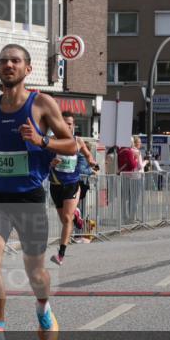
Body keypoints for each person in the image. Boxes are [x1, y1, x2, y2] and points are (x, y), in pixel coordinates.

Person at [0, 44, 76, 340]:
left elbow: (70, 144)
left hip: (29, 197)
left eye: (15, 61)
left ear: (28, 69)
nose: (8, 65)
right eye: (3, 61)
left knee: (35, 272)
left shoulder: (41, 103)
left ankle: (43, 307)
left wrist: (42, 142)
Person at [47, 111, 96, 266]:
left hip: (72, 184)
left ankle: (61, 254)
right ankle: (76, 214)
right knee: (64, 219)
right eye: (65, 123)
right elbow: (43, 161)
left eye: (70, 123)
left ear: (73, 125)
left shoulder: (78, 141)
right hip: (56, 185)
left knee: (67, 219)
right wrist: (50, 163)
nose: (68, 126)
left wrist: (92, 162)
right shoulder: (52, 141)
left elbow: (88, 156)